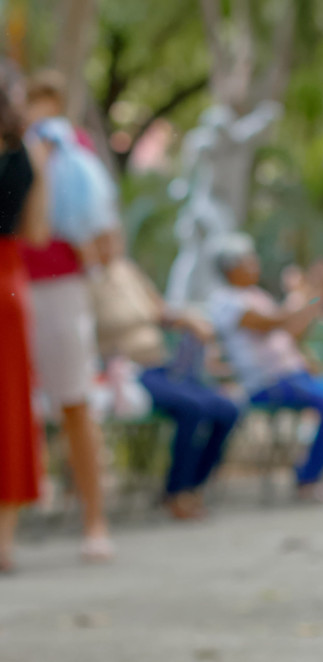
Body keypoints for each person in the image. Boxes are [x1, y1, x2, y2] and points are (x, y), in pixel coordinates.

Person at [21, 70, 115, 562]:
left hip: (60, 286)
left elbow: (100, 227)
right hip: (15, 284)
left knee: (76, 404)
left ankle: (95, 522)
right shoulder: (17, 144)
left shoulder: (67, 145)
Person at [90, 227, 240, 519]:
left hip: (160, 365)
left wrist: (191, 321)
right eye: (102, 239)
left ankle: (195, 486)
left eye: (114, 238)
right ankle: (176, 492)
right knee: (192, 408)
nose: (110, 245)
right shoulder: (85, 281)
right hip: (126, 371)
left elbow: (161, 311)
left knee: (226, 408)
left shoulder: (127, 271)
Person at [207, 233, 323, 501]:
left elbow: (293, 330)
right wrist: (312, 290)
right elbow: (276, 322)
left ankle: (310, 472)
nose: (255, 265)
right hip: (268, 383)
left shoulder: (256, 294)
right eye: (249, 261)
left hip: (295, 377)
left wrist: (316, 298)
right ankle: (308, 479)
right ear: (231, 267)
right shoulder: (226, 301)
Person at [0, 69, 49, 573]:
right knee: (10, 410)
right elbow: (37, 231)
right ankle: (4, 544)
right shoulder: (29, 154)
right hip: (9, 284)